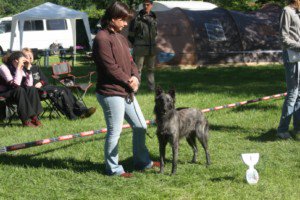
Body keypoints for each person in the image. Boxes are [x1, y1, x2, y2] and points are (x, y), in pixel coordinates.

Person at [92, 1, 159, 178]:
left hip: (125, 90)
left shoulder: (121, 38)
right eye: (122, 20)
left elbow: (131, 63)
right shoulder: (101, 38)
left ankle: (142, 161)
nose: (126, 23)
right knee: (115, 131)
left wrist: (136, 77)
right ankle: (113, 169)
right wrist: (129, 81)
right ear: (113, 19)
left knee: (140, 125)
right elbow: (110, 67)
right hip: (110, 92)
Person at [21, 48, 96, 120]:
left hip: (45, 87)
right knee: (60, 92)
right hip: (36, 92)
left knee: (66, 89)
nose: (30, 57)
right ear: (23, 58)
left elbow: (46, 80)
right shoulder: (22, 70)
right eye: (28, 56)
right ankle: (72, 115)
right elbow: (25, 84)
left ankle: (82, 110)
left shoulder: (35, 68)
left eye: (31, 55)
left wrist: (41, 82)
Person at [0, 52, 43, 127]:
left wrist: (29, 69)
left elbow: (29, 84)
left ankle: (34, 117)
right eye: (23, 61)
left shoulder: (21, 68)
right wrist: (18, 68)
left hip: (16, 92)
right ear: (16, 61)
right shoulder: (3, 67)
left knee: (32, 89)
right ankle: (26, 120)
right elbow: (16, 84)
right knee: (19, 89)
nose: (24, 63)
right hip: (4, 93)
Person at [278, 0, 300, 140]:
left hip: (299, 56)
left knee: (299, 94)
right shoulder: (287, 11)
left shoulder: (298, 13)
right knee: (293, 93)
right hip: (292, 56)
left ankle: (297, 129)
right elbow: (284, 38)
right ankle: (282, 130)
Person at [128, 0, 157, 91]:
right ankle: (135, 88)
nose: (145, 6)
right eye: (144, 4)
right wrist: (137, 43)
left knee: (151, 69)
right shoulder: (137, 18)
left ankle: (151, 88)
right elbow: (131, 34)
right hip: (140, 47)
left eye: (148, 4)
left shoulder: (154, 17)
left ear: (151, 5)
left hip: (151, 48)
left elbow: (155, 32)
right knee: (137, 70)